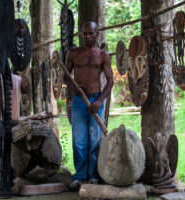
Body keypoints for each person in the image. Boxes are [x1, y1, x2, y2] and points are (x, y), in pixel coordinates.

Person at [65, 21, 114, 190]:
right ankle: (79, 176)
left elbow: (110, 81)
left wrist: (99, 100)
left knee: (94, 140)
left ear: (96, 34)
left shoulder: (103, 55)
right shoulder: (74, 53)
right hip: (79, 102)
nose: (87, 37)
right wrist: (73, 87)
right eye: (85, 34)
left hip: (95, 101)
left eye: (91, 34)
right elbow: (66, 75)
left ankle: (92, 176)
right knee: (79, 141)